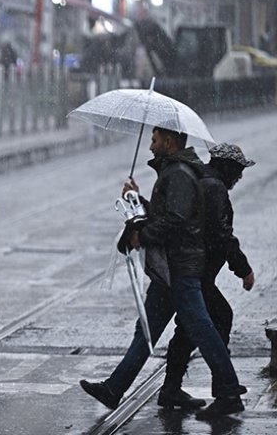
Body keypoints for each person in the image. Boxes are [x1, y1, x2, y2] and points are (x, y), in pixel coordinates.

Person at [79, 127, 247, 420]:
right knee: (147, 330)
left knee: (202, 329)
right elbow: (166, 214)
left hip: (180, 267)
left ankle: (229, 392)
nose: (150, 146)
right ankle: (114, 389)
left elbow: (176, 223)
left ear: (169, 142)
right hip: (169, 269)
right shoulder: (173, 171)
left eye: (154, 140)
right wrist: (137, 200)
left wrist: (142, 237)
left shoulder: (179, 173)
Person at [159, 143, 256, 409]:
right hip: (195, 272)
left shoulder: (204, 181)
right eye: (238, 170)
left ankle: (172, 389)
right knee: (218, 318)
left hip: (191, 270)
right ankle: (225, 392)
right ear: (226, 167)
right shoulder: (214, 188)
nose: (240, 176)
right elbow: (220, 233)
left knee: (190, 329)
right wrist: (243, 269)